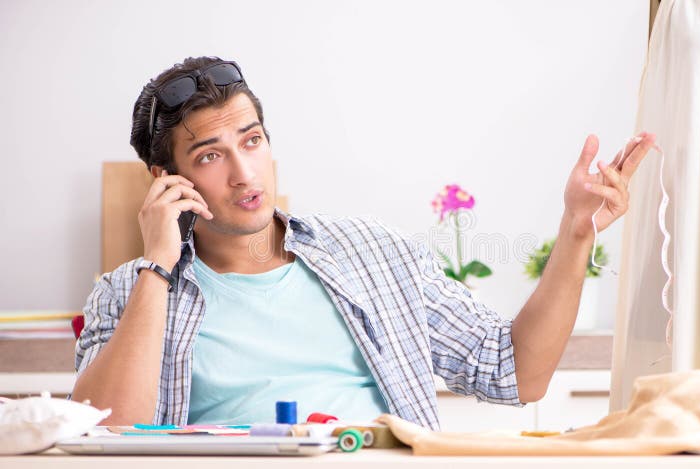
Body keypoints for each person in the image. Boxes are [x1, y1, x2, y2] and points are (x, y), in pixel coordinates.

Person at [71, 56, 655, 428]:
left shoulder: (374, 251)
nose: (244, 174)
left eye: (251, 142)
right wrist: (159, 265)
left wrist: (577, 232)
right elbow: (106, 431)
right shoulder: (125, 292)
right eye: (209, 156)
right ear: (166, 180)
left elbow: (514, 372)